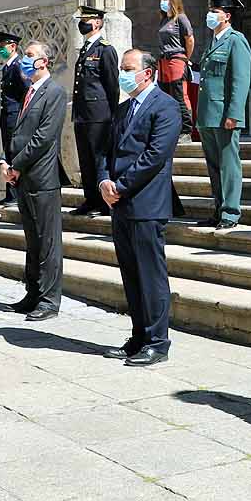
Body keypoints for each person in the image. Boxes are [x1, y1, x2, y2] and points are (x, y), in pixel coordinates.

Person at [96, 49, 182, 366]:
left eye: (128, 68)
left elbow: (155, 155)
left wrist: (120, 185)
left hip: (147, 202)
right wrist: (104, 181)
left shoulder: (166, 107)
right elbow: (106, 151)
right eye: (122, 68)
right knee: (131, 276)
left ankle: (158, 342)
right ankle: (138, 336)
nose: (123, 73)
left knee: (151, 276)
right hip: (119, 203)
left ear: (147, 73)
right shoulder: (122, 110)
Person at [0, 42, 68, 320]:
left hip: (41, 177)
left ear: (44, 61)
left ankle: (49, 299)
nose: (24, 61)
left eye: (29, 56)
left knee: (47, 240)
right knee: (32, 240)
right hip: (22, 176)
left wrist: (15, 165)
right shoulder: (29, 92)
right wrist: (4, 161)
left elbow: (43, 138)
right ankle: (33, 293)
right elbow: (17, 134)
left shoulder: (55, 92)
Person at [196, 0, 251, 230]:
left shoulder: (236, 41)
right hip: (208, 114)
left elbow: (240, 80)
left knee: (229, 164)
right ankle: (218, 208)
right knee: (214, 165)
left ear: (227, 16)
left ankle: (230, 212)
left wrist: (234, 114)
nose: (211, 15)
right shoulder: (213, 41)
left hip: (224, 115)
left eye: (215, 11)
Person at [71, 6, 121, 217]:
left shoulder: (105, 49)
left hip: (99, 114)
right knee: (85, 158)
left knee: (99, 158)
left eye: (87, 19)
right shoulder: (85, 49)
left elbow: (112, 86)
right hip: (82, 114)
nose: (83, 23)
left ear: (98, 22)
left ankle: (103, 201)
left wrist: (111, 114)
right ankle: (90, 198)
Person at [0, 31, 28, 208]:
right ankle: (10, 193)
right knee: (7, 152)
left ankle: (15, 193)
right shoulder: (7, 67)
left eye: (3, 47)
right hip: (6, 115)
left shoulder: (18, 65)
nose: (0, 50)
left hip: (15, 116)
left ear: (13, 47)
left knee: (13, 152)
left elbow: (26, 92)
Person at [157, 0, 196, 134]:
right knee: (165, 94)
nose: (163, 2)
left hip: (176, 59)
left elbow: (189, 39)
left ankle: (186, 130)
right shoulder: (164, 19)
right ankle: (169, 128)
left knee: (179, 94)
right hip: (163, 61)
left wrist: (186, 57)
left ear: (174, 2)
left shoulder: (181, 18)